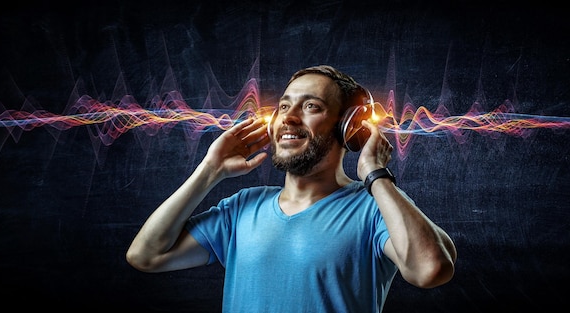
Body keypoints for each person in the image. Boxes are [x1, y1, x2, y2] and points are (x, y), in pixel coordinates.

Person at [126, 65, 457, 312]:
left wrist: (376, 175)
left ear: (349, 127)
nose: (289, 118)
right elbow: (146, 255)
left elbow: (430, 270)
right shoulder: (242, 207)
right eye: (284, 106)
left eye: (311, 106)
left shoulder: (374, 206)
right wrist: (209, 171)